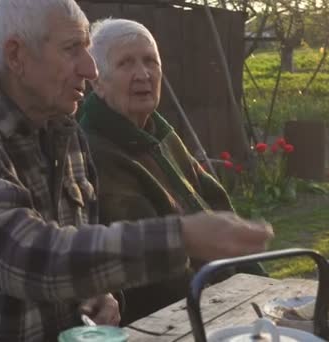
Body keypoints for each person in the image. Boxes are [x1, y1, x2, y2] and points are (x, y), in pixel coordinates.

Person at [0, 1, 274, 341]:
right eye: (71, 49)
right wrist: (183, 237)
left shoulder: (66, 131)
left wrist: (98, 292)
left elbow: (76, 242)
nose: (91, 67)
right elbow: (23, 257)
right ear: (16, 55)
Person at [79, 18, 267, 324]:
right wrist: (237, 304)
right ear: (96, 81)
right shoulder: (96, 152)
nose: (143, 74)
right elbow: (158, 275)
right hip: (175, 317)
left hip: (226, 294)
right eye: (126, 63)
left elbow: (214, 204)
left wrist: (263, 283)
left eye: (151, 60)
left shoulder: (160, 134)